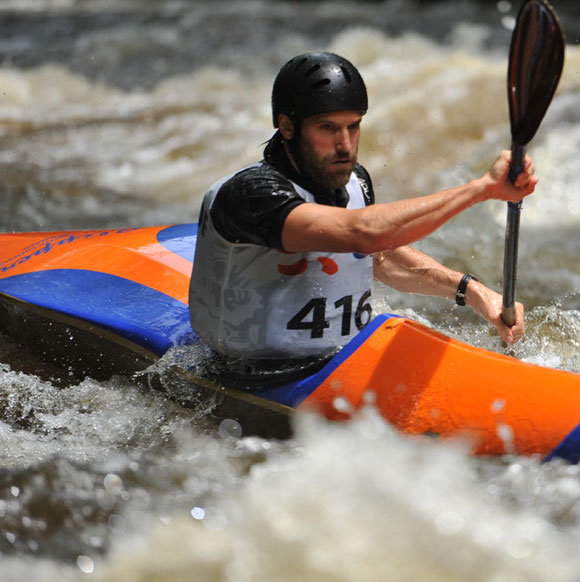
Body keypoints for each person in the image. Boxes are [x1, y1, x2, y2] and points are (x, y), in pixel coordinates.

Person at [188, 52, 536, 381]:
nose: (345, 145)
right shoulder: (253, 194)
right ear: (287, 127)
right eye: (328, 128)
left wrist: (471, 291)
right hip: (249, 375)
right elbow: (365, 235)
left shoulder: (354, 181)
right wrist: (483, 189)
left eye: (353, 127)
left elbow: (378, 258)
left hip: (338, 362)